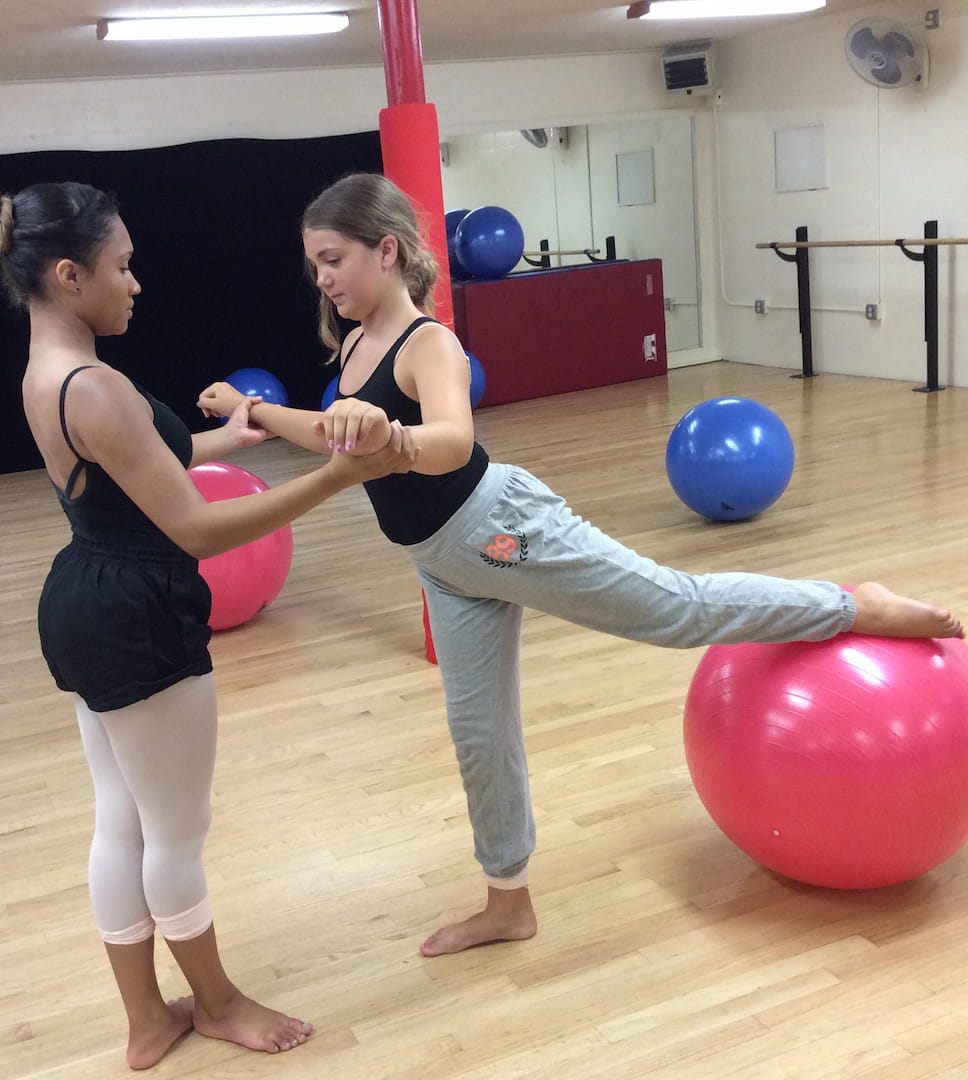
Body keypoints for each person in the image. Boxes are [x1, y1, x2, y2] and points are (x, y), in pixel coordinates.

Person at [197, 172, 964, 960]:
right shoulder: (354, 343)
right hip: (444, 563)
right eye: (314, 265)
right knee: (480, 736)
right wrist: (252, 413)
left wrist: (393, 443)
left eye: (334, 259)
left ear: (385, 251)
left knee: (675, 609)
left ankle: (850, 607)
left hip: (499, 530)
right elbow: (334, 429)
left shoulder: (430, 344)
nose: (323, 279)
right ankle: (507, 900)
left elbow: (453, 440)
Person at [0, 181, 418, 1069]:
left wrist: (232, 439)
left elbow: (132, 466)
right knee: (174, 828)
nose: (135, 284)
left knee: (123, 819)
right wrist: (335, 479)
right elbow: (198, 527)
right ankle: (216, 1002)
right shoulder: (93, 384)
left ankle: (147, 1018)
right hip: (136, 613)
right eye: (122, 267)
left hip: (88, 600)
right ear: (68, 274)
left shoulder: (48, 371)